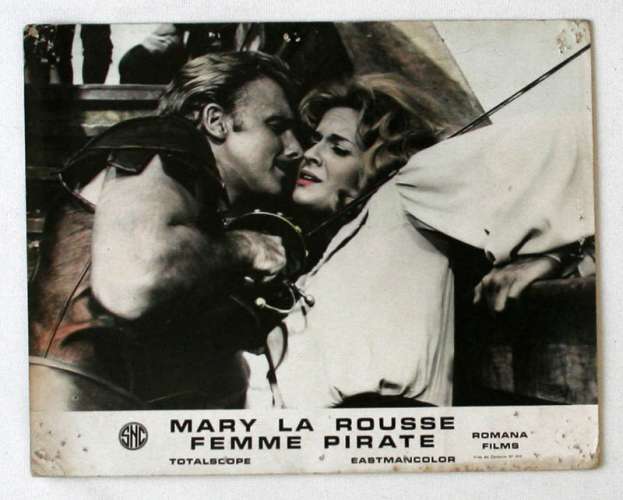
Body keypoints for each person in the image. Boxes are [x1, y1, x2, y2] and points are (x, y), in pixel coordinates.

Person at [245, 74, 594, 409]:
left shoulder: (407, 187)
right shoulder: (338, 244)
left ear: (380, 156)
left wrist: (567, 255)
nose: (309, 153)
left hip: (375, 423)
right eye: (315, 140)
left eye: (338, 148)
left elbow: (583, 139)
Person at [29, 51, 303, 411]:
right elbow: (134, 281)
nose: (295, 148)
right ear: (215, 121)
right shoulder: (165, 139)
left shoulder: (195, 202)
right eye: (276, 126)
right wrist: (247, 246)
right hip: (71, 408)